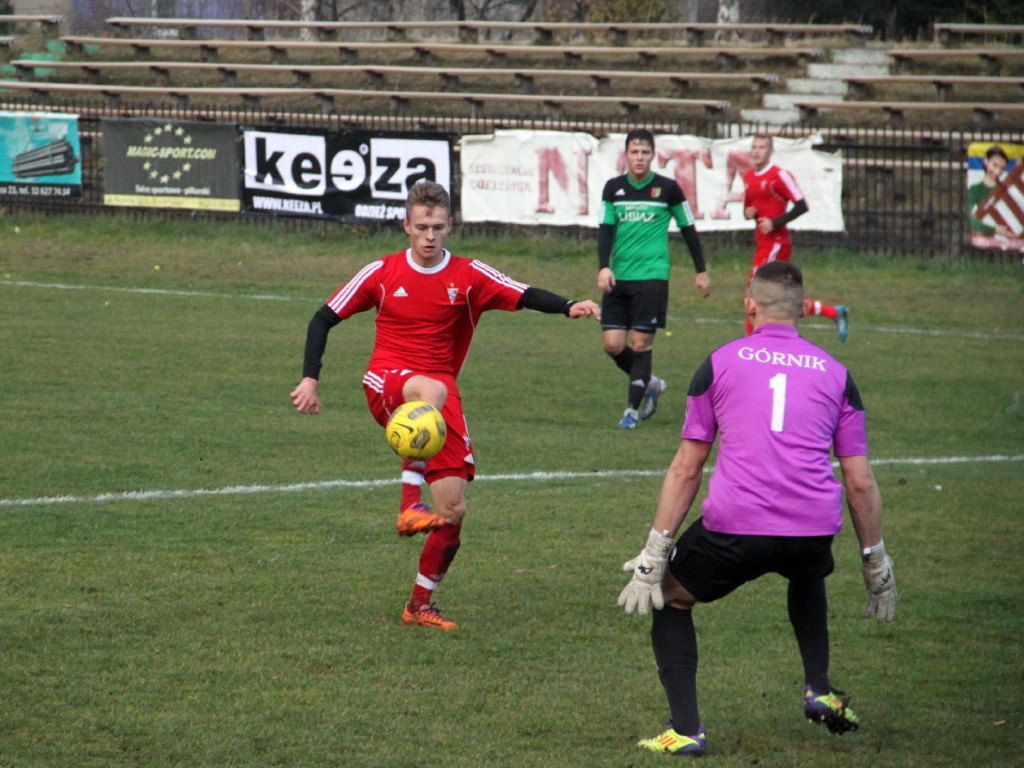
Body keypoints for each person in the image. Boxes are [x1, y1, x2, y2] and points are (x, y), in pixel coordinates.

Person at [290, 181, 601, 631]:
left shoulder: (469, 275)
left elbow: (522, 291)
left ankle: (418, 605)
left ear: (449, 225)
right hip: (388, 380)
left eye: (437, 227)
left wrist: (568, 305)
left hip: (440, 395)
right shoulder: (382, 272)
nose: (430, 236)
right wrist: (309, 378)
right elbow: (324, 317)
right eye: (421, 227)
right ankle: (407, 503)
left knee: (453, 511)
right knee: (431, 391)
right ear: (406, 226)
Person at [617, 260, 897, 757]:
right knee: (806, 572)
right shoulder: (837, 374)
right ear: (801, 313)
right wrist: (875, 559)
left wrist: (654, 552)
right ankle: (818, 689)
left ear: (750, 307)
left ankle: (685, 730)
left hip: (735, 528)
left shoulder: (720, 361)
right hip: (812, 531)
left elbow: (687, 466)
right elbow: (859, 480)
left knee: (668, 594)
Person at [598, 128, 711, 431]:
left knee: (642, 342)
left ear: (653, 156)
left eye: (645, 152)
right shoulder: (613, 189)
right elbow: (605, 229)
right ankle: (650, 383)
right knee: (612, 343)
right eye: (634, 152)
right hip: (618, 277)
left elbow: (688, 228)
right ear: (626, 155)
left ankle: (631, 411)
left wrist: (700, 270)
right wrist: (603, 266)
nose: (639, 157)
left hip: (652, 276)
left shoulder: (668, 189)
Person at [743, 134, 848, 341]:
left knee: (753, 292)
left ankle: (752, 341)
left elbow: (801, 205)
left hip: (777, 243)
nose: (757, 151)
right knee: (780, 294)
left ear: (771, 151)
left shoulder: (779, 175)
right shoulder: (749, 178)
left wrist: (775, 222)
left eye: (762, 147)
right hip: (762, 244)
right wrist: (748, 213)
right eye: (754, 147)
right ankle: (833, 312)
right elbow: (749, 209)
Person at [967, 145, 1016, 243]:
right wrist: (994, 230)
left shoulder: (1005, 190)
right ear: (986, 162)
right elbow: (968, 219)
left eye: (1002, 168)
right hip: (982, 242)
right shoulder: (975, 190)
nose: (997, 171)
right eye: (995, 165)